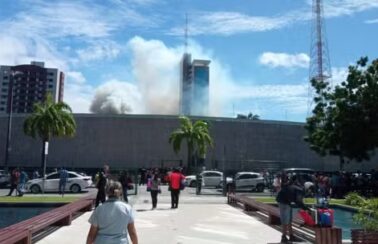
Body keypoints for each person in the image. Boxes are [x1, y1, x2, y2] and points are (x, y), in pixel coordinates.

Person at [276, 175, 308, 243]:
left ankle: (291, 236)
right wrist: (306, 208)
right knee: (285, 220)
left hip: (286, 202)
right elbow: (298, 201)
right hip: (283, 202)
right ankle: (283, 237)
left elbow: (297, 200)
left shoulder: (294, 186)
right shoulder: (300, 189)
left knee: (289, 220)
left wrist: (304, 207)